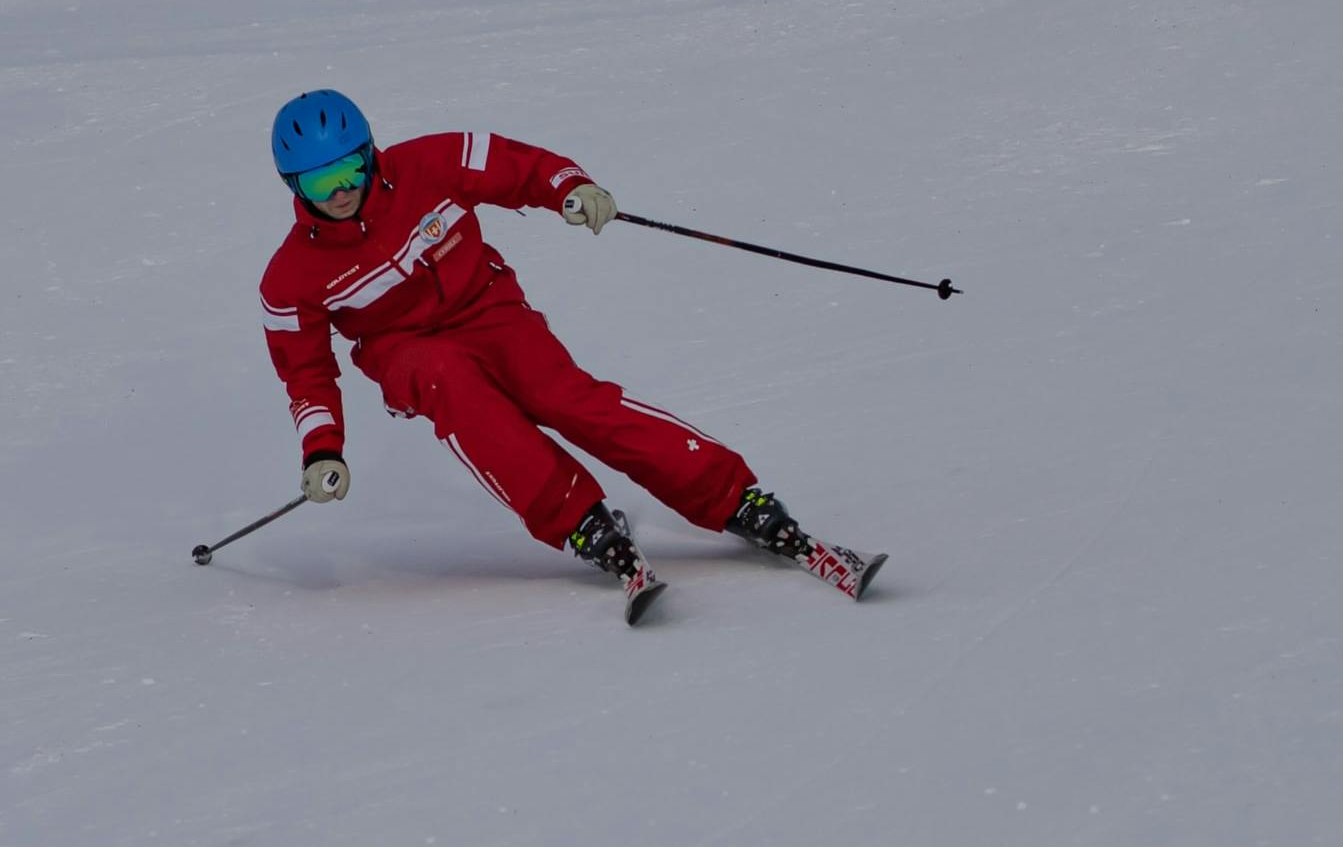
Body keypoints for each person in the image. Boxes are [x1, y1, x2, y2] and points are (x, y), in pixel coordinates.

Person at [259, 90, 882, 623]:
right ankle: (579, 519)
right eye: (319, 181)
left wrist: (570, 188)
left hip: (486, 307)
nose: (340, 190)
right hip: (405, 350)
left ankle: (732, 496)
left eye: (349, 169)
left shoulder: (433, 161)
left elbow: (514, 165)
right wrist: (323, 451)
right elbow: (306, 373)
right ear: (294, 186)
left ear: (371, 154)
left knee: (565, 398)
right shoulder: (290, 278)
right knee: (462, 396)